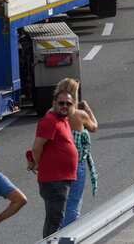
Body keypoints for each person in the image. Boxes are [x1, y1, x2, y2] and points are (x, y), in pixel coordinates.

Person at [30, 86, 79, 238]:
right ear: (54, 103)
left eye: (68, 104)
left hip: (61, 179)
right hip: (54, 181)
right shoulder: (50, 121)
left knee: (56, 218)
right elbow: (37, 147)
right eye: (61, 103)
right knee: (55, 220)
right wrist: (38, 164)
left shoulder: (62, 120)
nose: (65, 106)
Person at [58, 79, 99, 228]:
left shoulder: (53, 114)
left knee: (59, 205)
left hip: (58, 163)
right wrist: (87, 109)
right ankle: (68, 236)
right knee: (73, 203)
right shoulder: (79, 115)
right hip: (76, 164)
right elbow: (94, 127)